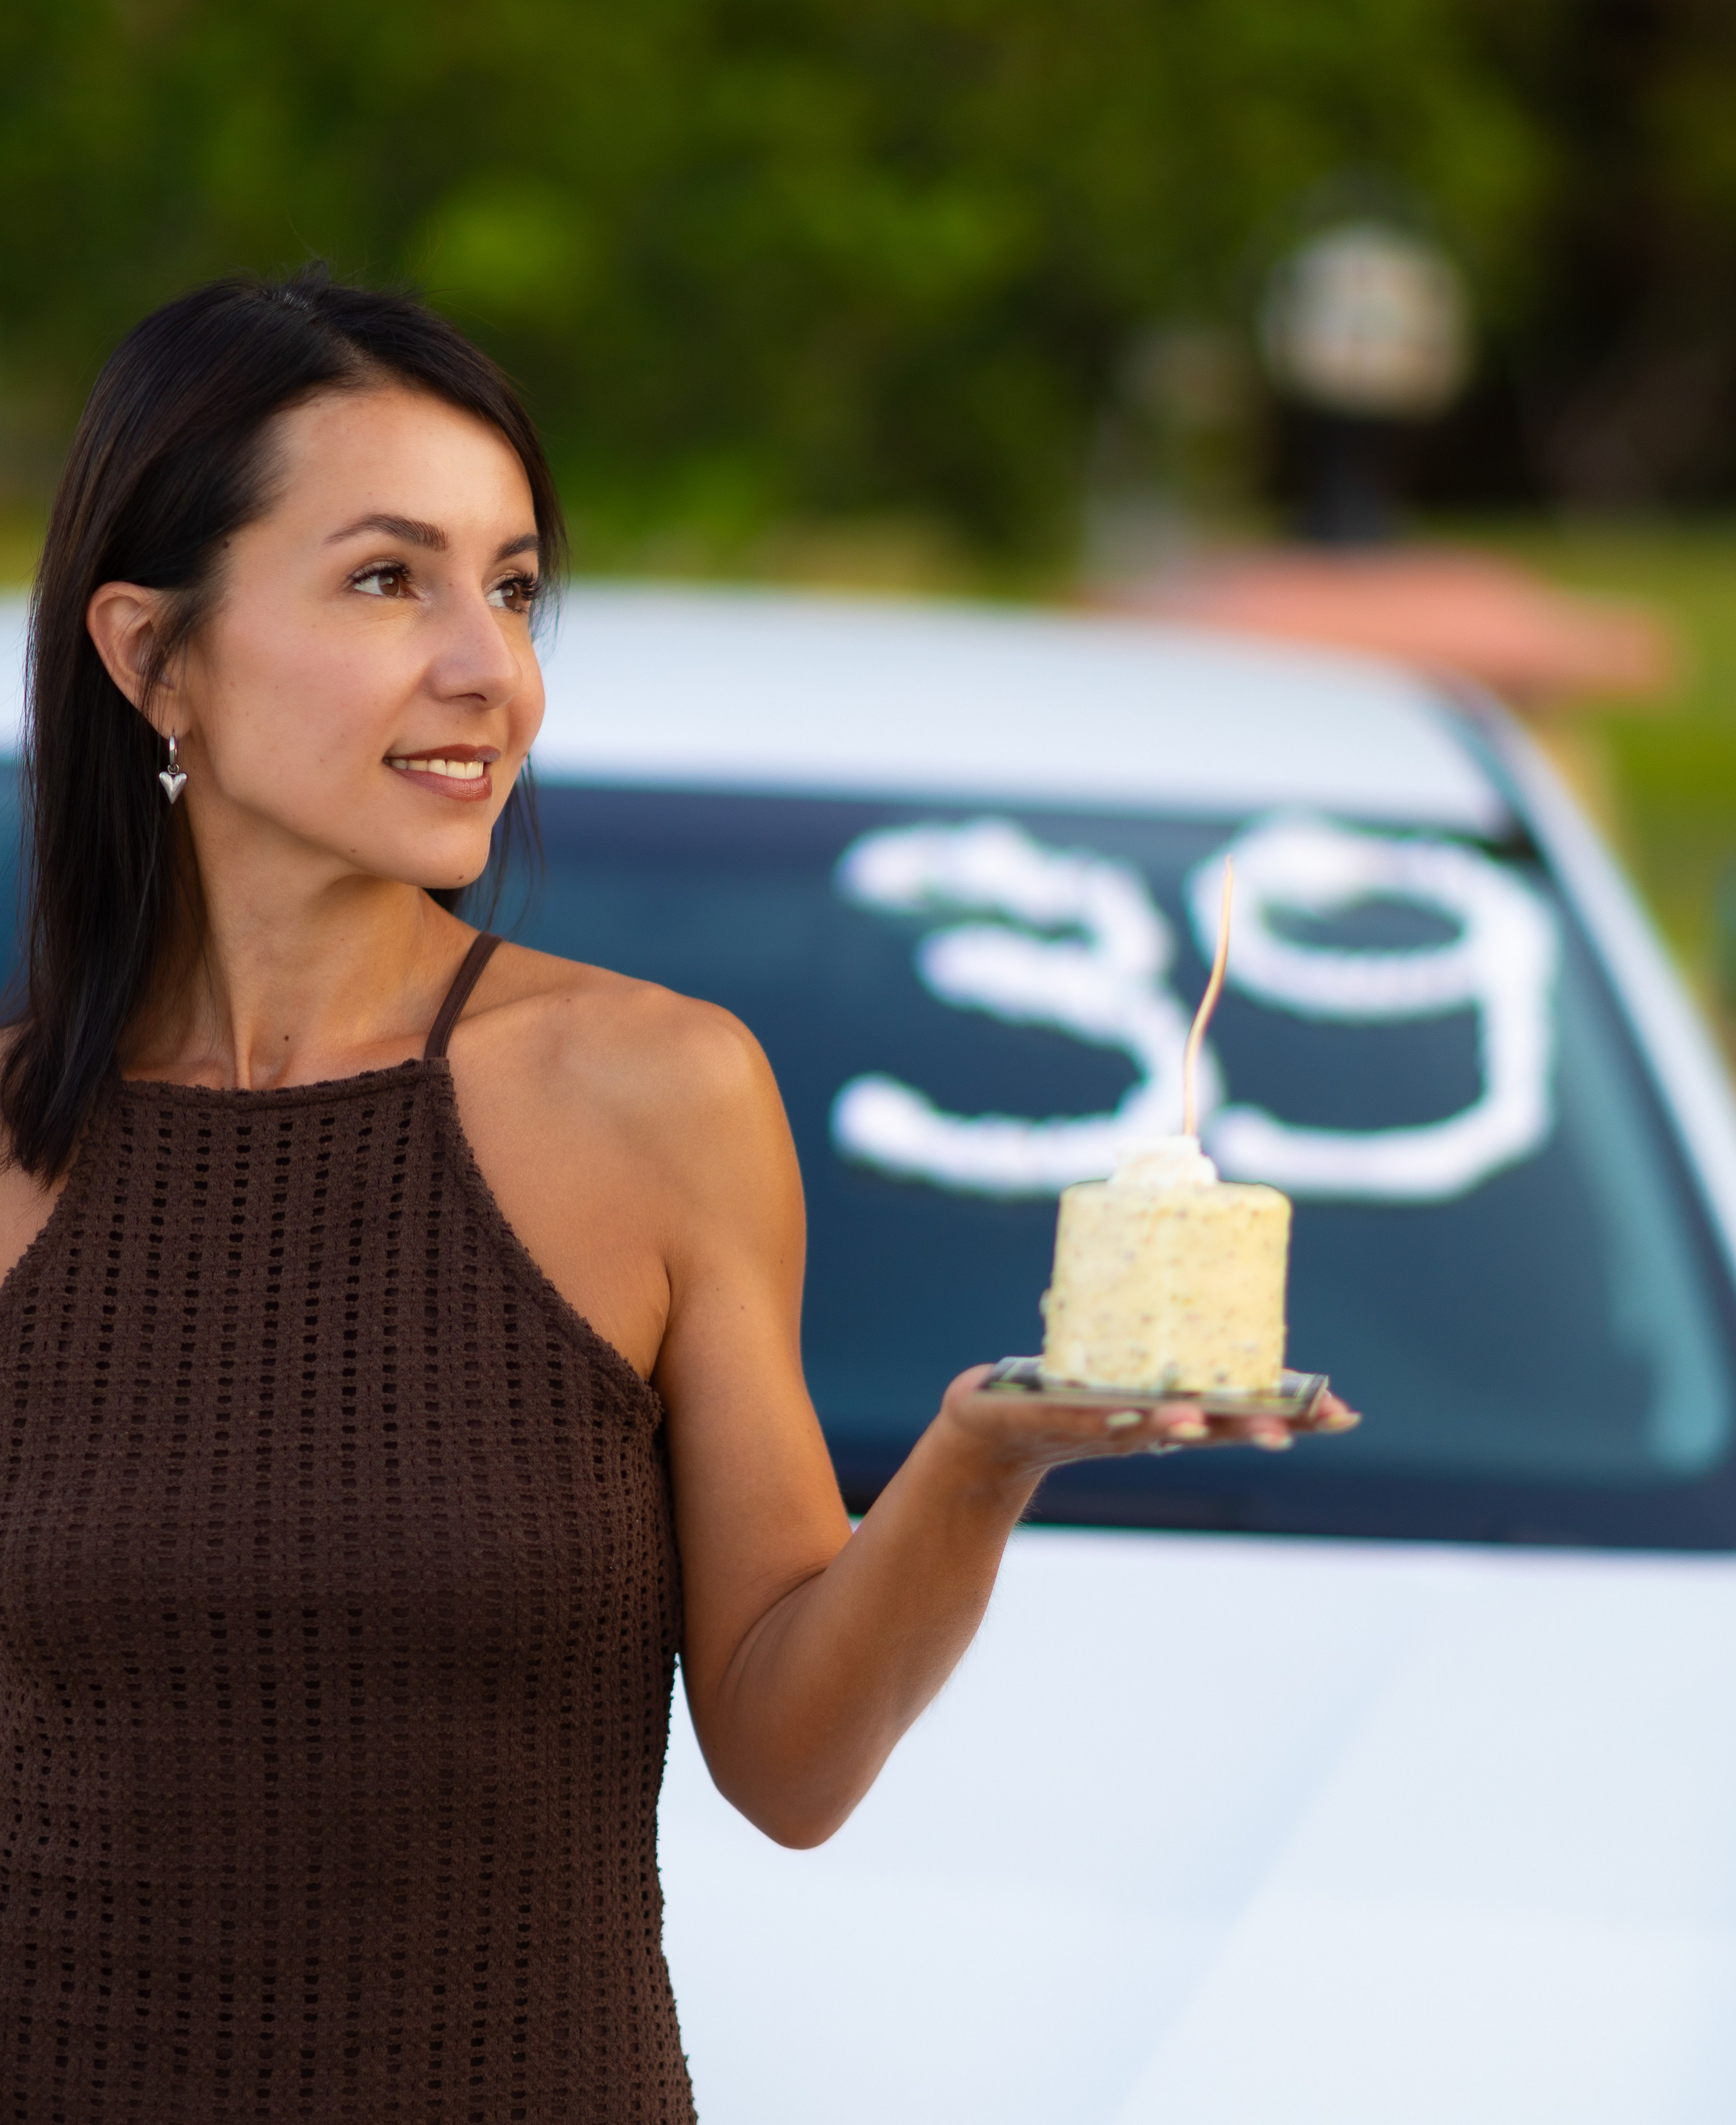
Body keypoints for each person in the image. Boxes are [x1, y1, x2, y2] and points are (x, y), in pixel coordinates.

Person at [0, 269, 1355, 2122]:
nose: (492, 670)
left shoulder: (653, 1097)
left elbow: (790, 1763)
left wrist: (979, 1461)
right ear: (153, 655)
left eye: (515, 586)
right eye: (388, 579)